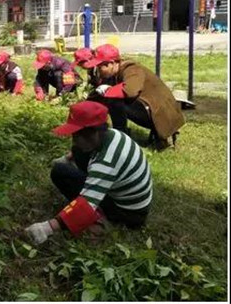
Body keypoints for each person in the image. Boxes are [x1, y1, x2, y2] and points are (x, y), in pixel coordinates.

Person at [25, 101, 153, 244]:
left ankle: (102, 219)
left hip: (128, 213)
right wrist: (71, 156)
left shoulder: (106, 162)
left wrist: (47, 228)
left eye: (77, 135)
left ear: (94, 132)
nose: (74, 140)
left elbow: (85, 204)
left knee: (60, 173)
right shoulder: (111, 135)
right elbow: (79, 150)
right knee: (78, 152)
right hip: (133, 202)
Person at [85, 44, 184, 149]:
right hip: (153, 110)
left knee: (113, 100)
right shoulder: (115, 72)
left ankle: (121, 138)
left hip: (164, 116)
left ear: (112, 63)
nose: (99, 70)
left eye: (100, 67)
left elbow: (130, 91)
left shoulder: (132, 69)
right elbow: (98, 95)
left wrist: (107, 91)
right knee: (110, 97)